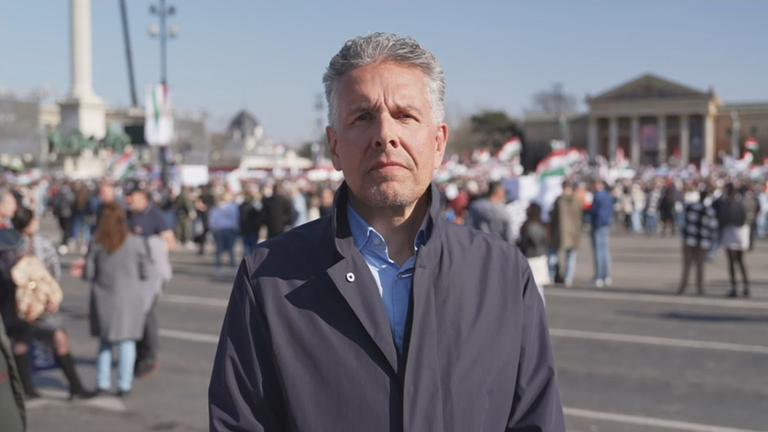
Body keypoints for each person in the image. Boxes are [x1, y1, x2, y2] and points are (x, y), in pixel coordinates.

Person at [209, 32, 564, 431]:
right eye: (362, 117)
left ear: (438, 142)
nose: (385, 134)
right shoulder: (269, 278)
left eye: (405, 115)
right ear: (334, 146)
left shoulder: (502, 273)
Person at [9, 207, 95, 399]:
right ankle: (33, 388)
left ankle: (66, 387)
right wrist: (52, 295)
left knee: (27, 341)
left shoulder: (20, 243)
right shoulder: (24, 244)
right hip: (31, 302)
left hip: (27, 303)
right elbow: (53, 272)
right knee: (41, 339)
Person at [85, 204, 151, 396]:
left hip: (104, 298)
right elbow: (145, 271)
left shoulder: (97, 243)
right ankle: (124, 384)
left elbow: (89, 273)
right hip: (130, 299)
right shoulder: (136, 242)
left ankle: (102, 383)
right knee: (127, 343)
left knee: (105, 343)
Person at [126, 187, 175, 377]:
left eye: (135, 199)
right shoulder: (127, 215)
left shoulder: (155, 216)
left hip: (152, 275)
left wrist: (153, 247)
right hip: (132, 273)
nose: (132, 202)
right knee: (135, 315)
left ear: (145, 199)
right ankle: (139, 353)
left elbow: (171, 242)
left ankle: (149, 355)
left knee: (147, 315)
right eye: (130, 198)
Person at [677, 186, 718, 296]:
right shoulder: (709, 211)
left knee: (687, 265)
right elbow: (713, 227)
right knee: (700, 266)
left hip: (689, 239)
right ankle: (700, 288)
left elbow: (683, 223)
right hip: (702, 241)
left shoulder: (690, 207)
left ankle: (683, 286)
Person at [550, 180, 583, 286]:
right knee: (570, 257)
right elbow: (580, 216)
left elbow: (553, 217)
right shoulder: (577, 200)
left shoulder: (559, 200)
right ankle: (568, 278)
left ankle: (551, 276)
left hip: (559, 231)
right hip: (573, 232)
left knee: (553, 255)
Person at [719, 184, 750, 297]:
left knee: (732, 262)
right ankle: (745, 286)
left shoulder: (727, 203)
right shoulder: (742, 202)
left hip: (732, 231)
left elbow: (723, 218)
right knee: (740, 261)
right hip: (741, 232)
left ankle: (735, 287)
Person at [517, 203, 550, 298]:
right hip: (540, 257)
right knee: (539, 288)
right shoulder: (543, 225)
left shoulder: (526, 226)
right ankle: (541, 309)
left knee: (527, 288)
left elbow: (523, 244)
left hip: (529, 258)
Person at [591, 179, 614, 287]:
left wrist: (594, 223)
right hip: (606, 225)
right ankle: (607, 276)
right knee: (605, 252)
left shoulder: (598, 196)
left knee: (600, 253)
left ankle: (600, 276)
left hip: (599, 225)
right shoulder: (608, 196)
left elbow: (596, 213)